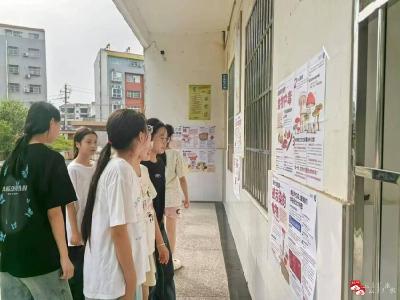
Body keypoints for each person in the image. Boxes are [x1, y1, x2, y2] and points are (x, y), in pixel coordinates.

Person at [0, 101, 76, 300]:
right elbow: (55, 214)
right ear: (51, 122)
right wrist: (65, 257)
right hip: (40, 258)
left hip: (8, 257)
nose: (58, 130)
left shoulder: (10, 161)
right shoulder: (52, 160)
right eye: (59, 125)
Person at [81, 109, 150, 300]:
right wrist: (130, 281)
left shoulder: (120, 167)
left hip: (115, 278)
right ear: (142, 136)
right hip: (114, 282)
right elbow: (118, 230)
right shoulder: (120, 170)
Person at [142, 118, 176, 300]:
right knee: (154, 274)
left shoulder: (161, 161)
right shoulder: (142, 166)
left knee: (165, 271)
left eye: (167, 138)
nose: (165, 141)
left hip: (158, 222)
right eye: (161, 137)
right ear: (148, 137)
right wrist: (159, 240)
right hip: (149, 224)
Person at [134, 130, 170, 300]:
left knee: (149, 288)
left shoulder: (145, 170)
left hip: (150, 238)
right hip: (136, 246)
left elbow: (150, 209)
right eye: (147, 138)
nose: (164, 142)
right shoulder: (122, 172)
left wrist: (160, 243)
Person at [66, 127, 98, 300]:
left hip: (92, 227)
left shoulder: (96, 166)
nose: (93, 145)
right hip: (77, 229)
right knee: (78, 276)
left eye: (94, 142)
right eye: (88, 142)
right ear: (78, 144)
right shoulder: (73, 169)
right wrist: (75, 232)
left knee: (90, 272)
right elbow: (70, 203)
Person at [163, 124, 189, 270]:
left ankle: (159, 258)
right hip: (172, 199)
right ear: (170, 137)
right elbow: (182, 178)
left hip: (156, 199)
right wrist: (186, 197)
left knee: (157, 228)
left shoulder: (152, 153)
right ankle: (170, 260)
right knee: (171, 230)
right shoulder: (175, 154)